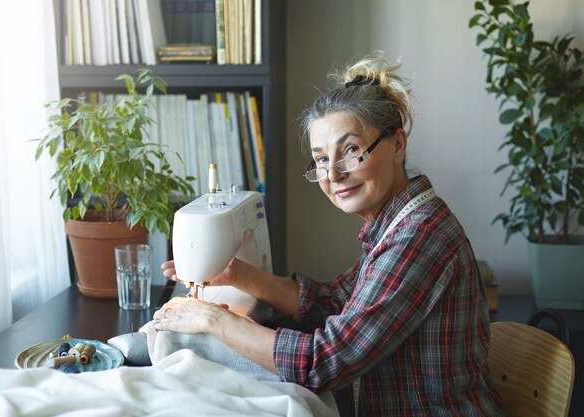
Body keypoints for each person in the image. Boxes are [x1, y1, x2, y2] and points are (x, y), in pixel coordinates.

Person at [154, 51, 504, 417]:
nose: (333, 175)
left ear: (397, 144)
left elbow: (324, 362)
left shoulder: (419, 236)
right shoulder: (397, 222)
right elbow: (336, 303)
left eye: (350, 151)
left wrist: (213, 321)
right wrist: (237, 275)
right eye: (321, 159)